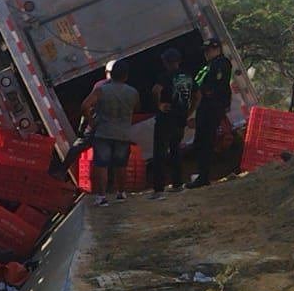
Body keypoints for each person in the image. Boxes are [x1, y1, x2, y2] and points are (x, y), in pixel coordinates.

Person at [80, 58, 139, 207]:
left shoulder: (101, 90)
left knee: (102, 165)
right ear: (126, 76)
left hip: (103, 133)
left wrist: (91, 121)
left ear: (111, 74)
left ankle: (101, 197)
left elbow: (85, 105)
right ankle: (121, 193)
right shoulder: (133, 92)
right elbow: (136, 108)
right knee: (121, 165)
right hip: (123, 133)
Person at [187, 37, 233, 188]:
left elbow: (217, 86)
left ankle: (203, 177)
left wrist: (207, 93)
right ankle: (201, 174)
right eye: (205, 51)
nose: (206, 53)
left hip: (212, 107)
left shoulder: (221, 64)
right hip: (206, 107)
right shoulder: (210, 64)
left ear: (216, 49)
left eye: (209, 50)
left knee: (205, 141)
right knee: (200, 141)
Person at [148, 48, 192, 198]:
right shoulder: (187, 76)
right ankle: (177, 184)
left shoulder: (165, 76)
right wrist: (189, 112)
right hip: (180, 119)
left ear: (166, 62)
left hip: (166, 119)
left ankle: (159, 189)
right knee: (176, 151)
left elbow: (155, 90)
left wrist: (158, 105)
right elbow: (197, 95)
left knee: (160, 153)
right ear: (179, 61)